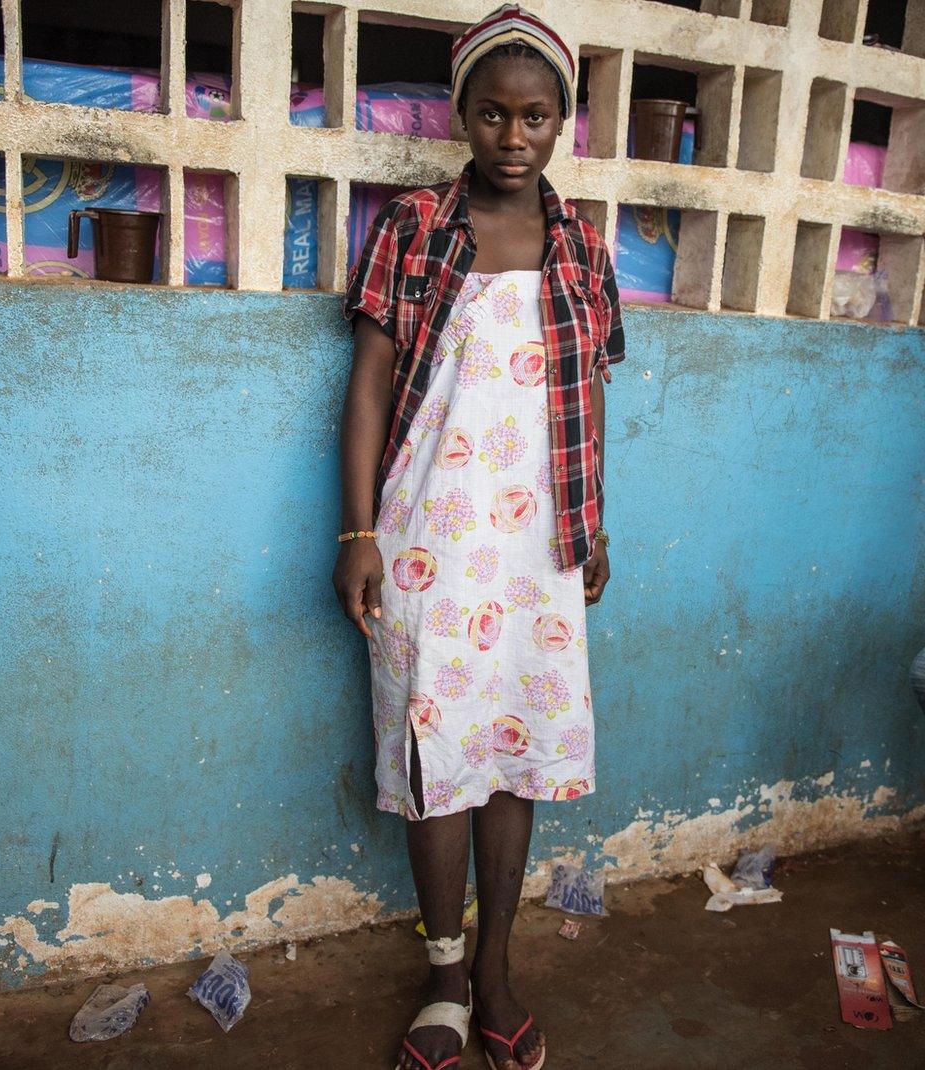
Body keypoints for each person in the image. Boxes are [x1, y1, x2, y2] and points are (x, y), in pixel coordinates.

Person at [333, 6, 625, 1068]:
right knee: (435, 754)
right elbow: (368, 381)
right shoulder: (414, 225)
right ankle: (445, 973)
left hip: (539, 542)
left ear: (562, 124)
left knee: (516, 750)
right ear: (460, 114)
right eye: (493, 113)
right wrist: (359, 529)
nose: (513, 135)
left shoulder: (582, 245)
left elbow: (587, 393)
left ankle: (498, 968)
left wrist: (593, 523)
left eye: (535, 115)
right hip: (426, 543)